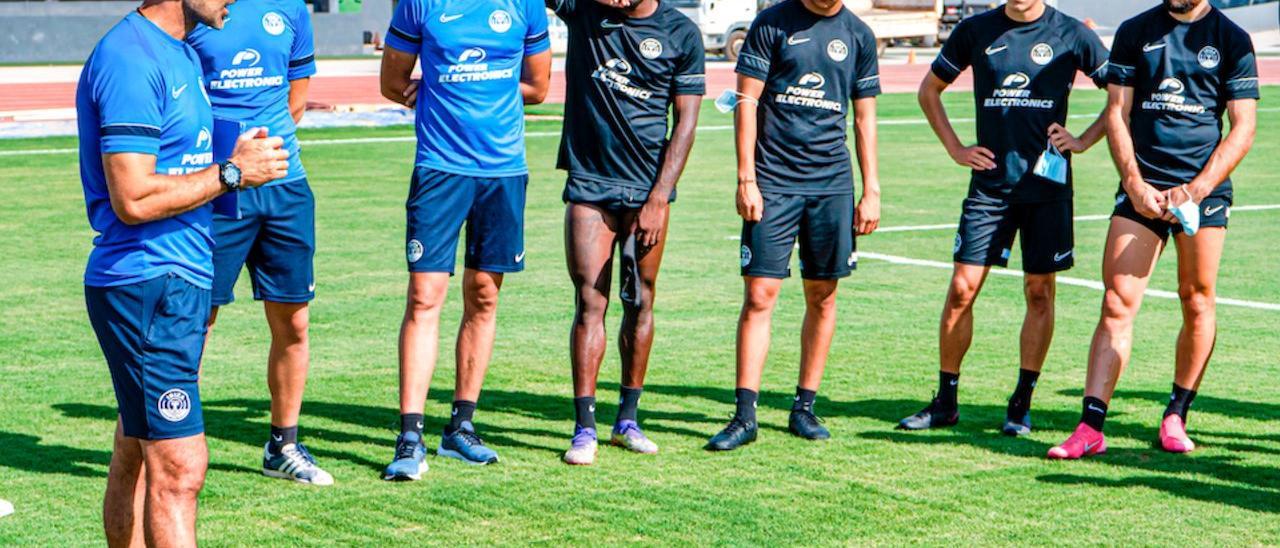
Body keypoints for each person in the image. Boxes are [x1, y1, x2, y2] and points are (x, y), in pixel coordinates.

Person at [77, 0, 287, 543]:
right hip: (148, 281)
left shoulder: (182, 52)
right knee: (181, 468)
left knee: (139, 450)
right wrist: (234, 172)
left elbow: (179, 166)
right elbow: (134, 197)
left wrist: (232, 157)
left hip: (177, 276)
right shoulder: (131, 58)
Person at [1049, 0, 1257, 459]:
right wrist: (1135, 184)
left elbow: (1243, 127)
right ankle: (1090, 425)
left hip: (1202, 193)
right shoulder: (1134, 30)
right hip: (1141, 187)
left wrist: (1197, 191)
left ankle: (1176, 414)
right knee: (1116, 300)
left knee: (1196, 296)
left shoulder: (1232, 40)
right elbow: (1118, 114)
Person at [896, 0, 1109, 436]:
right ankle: (946, 401)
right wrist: (956, 149)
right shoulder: (976, 31)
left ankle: (1020, 403)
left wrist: (1084, 139)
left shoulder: (1071, 33)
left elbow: (1124, 91)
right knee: (961, 289)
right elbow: (928, 91)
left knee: (1039, 293)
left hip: (1047, 189)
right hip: (989, 188)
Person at [378, 0, 552, 479]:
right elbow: (392, 82)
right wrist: (435, 89)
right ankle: (410, 435)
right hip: (439, 169)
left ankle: (461, 427)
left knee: (484, 296)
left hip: (503, 171)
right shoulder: (421, 3)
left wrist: (485, 84)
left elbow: (538, 88)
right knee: (423, 296)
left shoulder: (525, 6)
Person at [706, 0, 881, 451]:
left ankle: (804, 407)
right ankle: (745, 416)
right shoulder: (772, 24)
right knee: (760, 294)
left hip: (832, 185)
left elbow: (863, 118)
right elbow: (746, 103)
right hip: (774, 182)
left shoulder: (858, 34)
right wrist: (747, 178)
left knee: (822, 295)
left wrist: (872, 189)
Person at [546, 0, 704, 466]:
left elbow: (687, 123)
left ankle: (628, 421)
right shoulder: (582, 10)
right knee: (590, 303)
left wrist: (658, 198)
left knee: (640, 300)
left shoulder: (681, 33)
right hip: (590, 185)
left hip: (646, 193)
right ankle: (585, 429)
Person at [187, 0, 331, 485]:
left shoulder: (291, 7)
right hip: (218, 187)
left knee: (294, 321)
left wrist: (266, 156)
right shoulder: (200, 8)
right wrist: (228, 164)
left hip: (285, 186)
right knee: (196, 319)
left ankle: (283, 445)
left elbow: (296, 98)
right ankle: (178, 439)